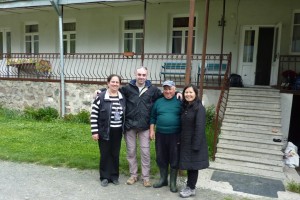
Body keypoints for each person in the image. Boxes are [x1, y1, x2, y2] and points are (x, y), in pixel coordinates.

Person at [121, 67, 162, 187]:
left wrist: (178, 94)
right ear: (135, 74)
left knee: (145, 152)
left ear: (147, 76)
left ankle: (146, 177)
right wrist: (101, 90)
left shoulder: (153, 89)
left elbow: (165, 96)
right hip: (130, 126)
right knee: (131, 151)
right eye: (139, 74)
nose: (141, 77)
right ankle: (133, 175)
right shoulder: (128, 88)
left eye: (143, 75)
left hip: (145, 126)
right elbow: (114, 91)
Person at [90, 74, 126, 187]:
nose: (115, 84)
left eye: (117, 82)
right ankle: (105, 177)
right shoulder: (100, 97)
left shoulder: (123, 98)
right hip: (104, 130)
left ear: (119, 84)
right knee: (105, 154)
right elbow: (94, 115)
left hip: (118, 131)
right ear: (108, 83)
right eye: (113, 82)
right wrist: (95, 132)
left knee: (115, 154)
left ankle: (114, 176)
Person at [150, 80, 181, 193]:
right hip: (160, 135)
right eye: (165, 89)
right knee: (161, 157)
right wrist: (152, 130)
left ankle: (173, 182)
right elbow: (153, 117)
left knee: (174, 158)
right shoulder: (158, 102)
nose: (167, 91)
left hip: (175, 135)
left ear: (174, 89)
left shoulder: (180, 101)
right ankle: (163, 180)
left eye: (170, 89)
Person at [178, 84, 209, 198]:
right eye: (186, 92)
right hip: (186, 141)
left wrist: (196, 145)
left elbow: (200, 127)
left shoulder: (199, 108)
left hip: (195, 142)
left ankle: (191, 188)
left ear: (196, 94)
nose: (188, 94)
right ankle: (189, 186)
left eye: (191, 92)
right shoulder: (186, 106)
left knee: (193, 166)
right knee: (189, 165)